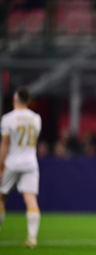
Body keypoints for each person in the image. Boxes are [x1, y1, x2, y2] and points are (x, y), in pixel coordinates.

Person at [0, 87, 42, 248]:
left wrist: (0, 166)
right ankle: (32, 238)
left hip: (13, 161)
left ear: (14, 100)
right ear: (29, 101)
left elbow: (5, 145)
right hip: (31, 162)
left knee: (1, 198)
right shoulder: (36, 118)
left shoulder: (8, 118)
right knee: (31, 200)